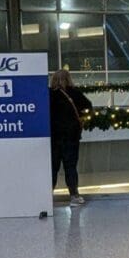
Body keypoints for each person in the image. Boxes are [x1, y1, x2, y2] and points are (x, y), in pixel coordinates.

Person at [49, 69, 93, 206]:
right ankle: (74, 195)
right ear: (69, 79)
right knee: (70, 166)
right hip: (71, 137)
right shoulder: (75, 93)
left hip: (54, 137)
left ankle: (47, 196)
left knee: (52, 167)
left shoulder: (49, 94)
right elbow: (88, 107)